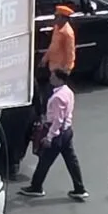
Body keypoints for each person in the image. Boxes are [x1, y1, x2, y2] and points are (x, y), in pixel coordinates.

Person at [22, 72, 87, 200]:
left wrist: (50, 137)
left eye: (53, 77)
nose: (50, 78)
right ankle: (79, 188)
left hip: (57, 133)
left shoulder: (58, 97)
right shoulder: (68, 91)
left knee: (45, 161)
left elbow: (58, 120)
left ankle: (36, 187)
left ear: (59, 79)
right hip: (67, 131)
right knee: (71, 161)